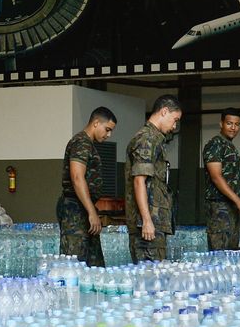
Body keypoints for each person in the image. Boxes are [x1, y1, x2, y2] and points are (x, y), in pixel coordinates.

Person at [58, 107, 116, 267]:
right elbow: (77, 177)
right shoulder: (81, 142)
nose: (109, 135)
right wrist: (91, 212)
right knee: (75, 263)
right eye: (107, 129)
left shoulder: (88, 144)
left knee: (93, 264)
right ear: (96, 123)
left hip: (83, 206)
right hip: (75, 208)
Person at [128, 94, 182, 264]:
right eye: (175, 120)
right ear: (164, 111)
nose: (174, 126)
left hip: (155, 222)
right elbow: (139, 181)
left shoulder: (155, 139)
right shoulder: (147, 139)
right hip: (148, 225)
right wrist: (146, 220)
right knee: (150, 279)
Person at [203, 108, 240, 251]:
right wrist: (238, 200)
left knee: (231, 252)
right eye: (229, 123)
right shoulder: (215, 144)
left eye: (237, 124)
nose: (233, 128)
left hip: (230, 207)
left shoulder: (229, 146)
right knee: (220, 254)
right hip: (220, 207)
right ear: (221, 124)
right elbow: (216, 177)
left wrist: (235, 202)